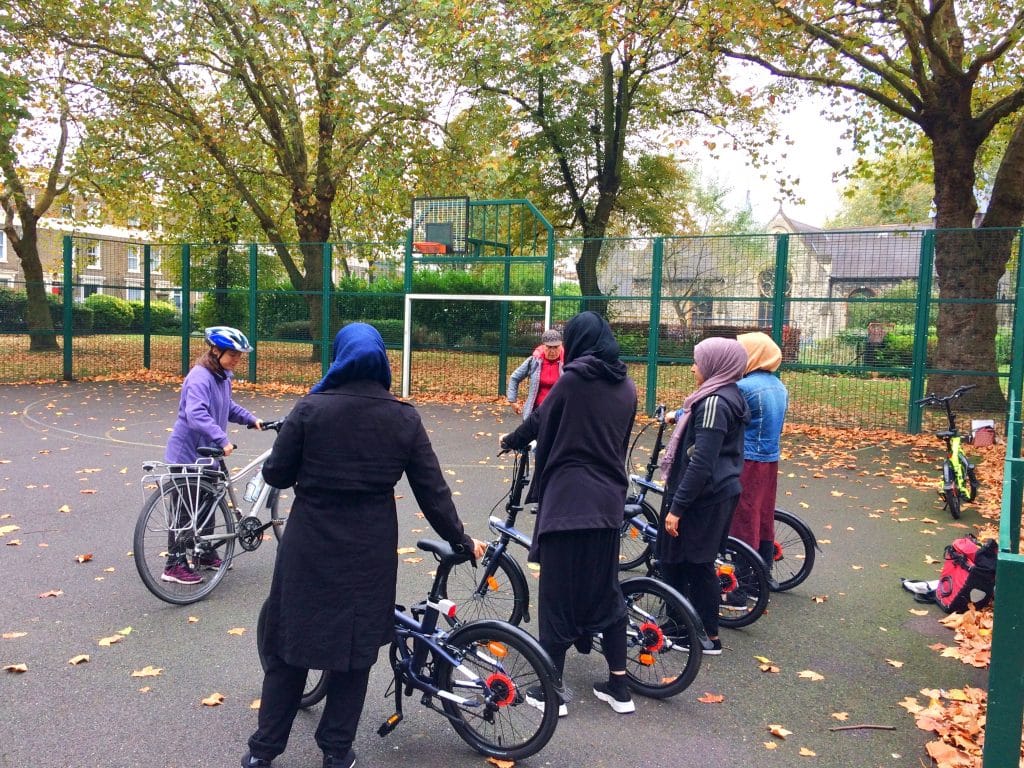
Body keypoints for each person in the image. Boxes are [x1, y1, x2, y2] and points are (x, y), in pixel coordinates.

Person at [243, 323, 487, 768]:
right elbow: (432, 491)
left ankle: (263, 752)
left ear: (338, 356)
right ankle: (336, 752)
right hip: (368, 549)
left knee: (288, 645)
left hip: (309, 545)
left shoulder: (310, 409)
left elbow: (276, 475)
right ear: (381, 360)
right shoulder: (403, 417)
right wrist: (461, 540)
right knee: (353, 655)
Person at [499, 311, 637, 715]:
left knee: (557, 595)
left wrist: (511, 440)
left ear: (576, 341)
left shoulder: (573, 379)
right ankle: (619, 687)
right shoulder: (627, 386)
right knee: (606, 590)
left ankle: (552, 689)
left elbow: (541, 420)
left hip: (569, 500)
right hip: (609, 502)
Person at [656, 338, 750, 655]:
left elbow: (701, 462)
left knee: (692, 564)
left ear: (716, 364)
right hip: (716, 492)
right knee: (687, 563)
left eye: (698, 361)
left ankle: (703, 634)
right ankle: (687, 626)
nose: (693, 367)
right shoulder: (724, 395)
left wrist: (676, 508)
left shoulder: (714, 403)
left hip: (704, 497)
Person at [162, 325, 263, 585]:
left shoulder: (222, 376)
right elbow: (196, 414)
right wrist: (222, 438)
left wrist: (250, 419)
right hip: (188, 454)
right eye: (233, 355)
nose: (237, 361)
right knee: (186, 511)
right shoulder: (200, 377)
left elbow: (226, 406)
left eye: (240, 356)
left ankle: (205, 553)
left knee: (209, 503)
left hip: (209, 454)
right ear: (215, 351)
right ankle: (174, 564)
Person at [729, 332, 789, 579]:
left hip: (748, 459)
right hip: (769, 458)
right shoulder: (778, 385)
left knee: (743, 517)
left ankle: (743, 582)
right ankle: (763, 574)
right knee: (762, 514)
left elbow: (718, 408)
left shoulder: (744, 388)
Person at [506, 328, 564, 417]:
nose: (552, 351)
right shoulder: (534, 361)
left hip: (560, 412)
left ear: (561, 346)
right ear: (543, 346)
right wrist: (512, 400)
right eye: (549, 347)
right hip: (537, 410)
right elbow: (515, 377)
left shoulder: (568, 362)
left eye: (556, 347)